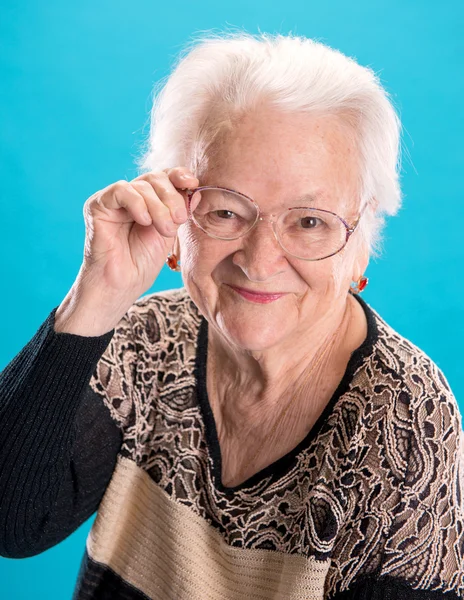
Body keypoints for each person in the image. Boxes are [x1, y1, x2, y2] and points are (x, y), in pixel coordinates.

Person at [0, 31, 463, 600]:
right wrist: (94, 297)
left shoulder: (406, 422)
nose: (260, 261)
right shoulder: (148, 339)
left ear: (362, 241)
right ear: (173, 213)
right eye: (225, 210)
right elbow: (13, 524)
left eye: (310, 221)